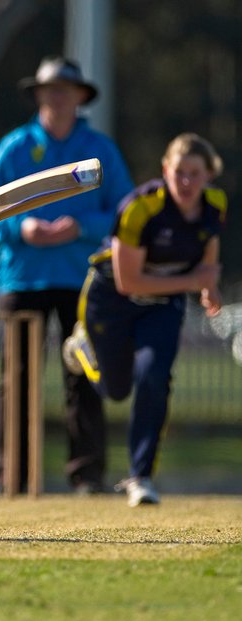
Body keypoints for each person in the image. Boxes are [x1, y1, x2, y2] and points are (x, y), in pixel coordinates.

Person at [0, 56, 135, 493]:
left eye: (65, 89)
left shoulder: (99, 148)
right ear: (38, 95)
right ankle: (12, 475)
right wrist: (21, 227)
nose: (57, 97)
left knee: (84, 373)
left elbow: (126, 211)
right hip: (23, 278)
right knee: (16, 379)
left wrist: (81, 227)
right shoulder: (15, 146)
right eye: (50, 89)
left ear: (80, 96)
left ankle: (87, 475)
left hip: (83, 279)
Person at [62, 133, 225, 507]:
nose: (186, 181)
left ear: (209, 175)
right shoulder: (140, 208)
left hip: (161, 305)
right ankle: (82, 348)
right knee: (115, 390)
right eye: (179, 172)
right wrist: (193, 281)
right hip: (111, 298)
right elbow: (129, 281)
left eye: (195, 173)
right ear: (165, 170)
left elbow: (209, 248)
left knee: (154, 377)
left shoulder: (215, 204)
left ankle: (141, 477)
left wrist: (209, 288)